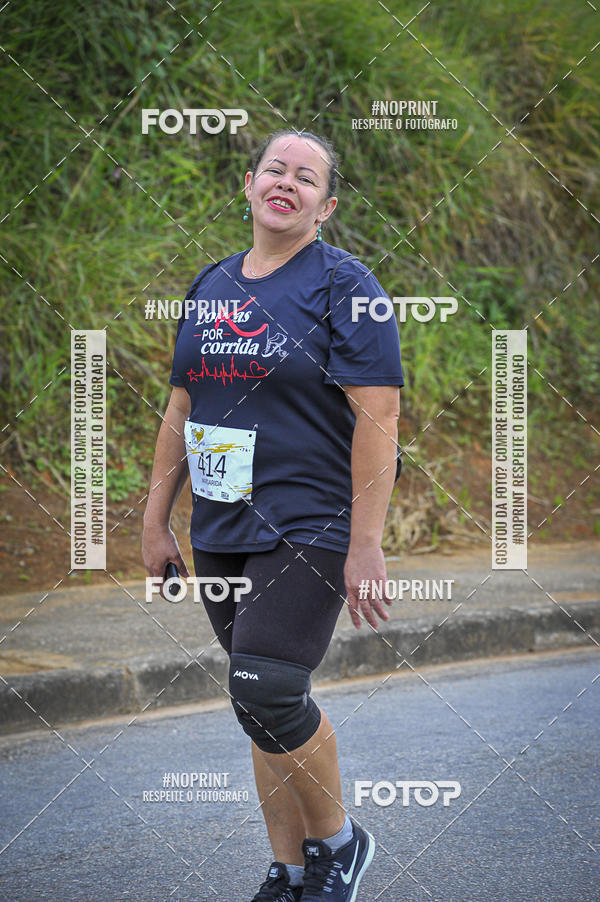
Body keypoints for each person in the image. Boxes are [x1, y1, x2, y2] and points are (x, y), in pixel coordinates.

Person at [142, 128, 403, 902]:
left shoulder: (346, 285)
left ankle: (341, 844)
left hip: (311, 518)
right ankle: (289, 871)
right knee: (254, 704)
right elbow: (182, 405)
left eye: (307, 176)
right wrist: (155, 519)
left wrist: (366, 544)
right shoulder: (211, 282)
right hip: (222, 522)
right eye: (274, 169)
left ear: (325, 206)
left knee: (265, 686)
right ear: (250, 185)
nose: (287, 182)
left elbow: (379, 416)